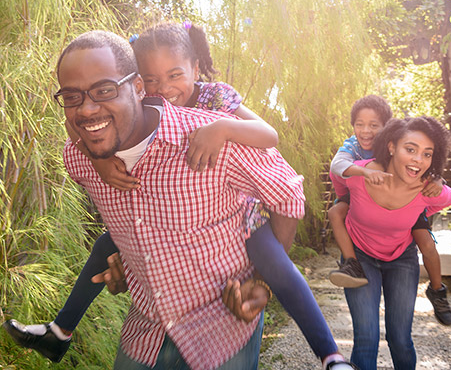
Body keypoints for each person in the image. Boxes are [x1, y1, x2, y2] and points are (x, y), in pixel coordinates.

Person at [3, 26, 353, 370]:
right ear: (143, 81)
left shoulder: (213, 119)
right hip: (145, 335)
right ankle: (60, 331)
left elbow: (283, 178)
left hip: (226, 318)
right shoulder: (84, 155)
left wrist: (259, 280)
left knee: (276, 265)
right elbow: (78, 126)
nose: (88, 109)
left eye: (105, 90)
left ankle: (331, 356)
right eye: (73, 97)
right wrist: (97, 158)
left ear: (134, 87)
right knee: (105, 246)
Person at [330, 116, 451, 370]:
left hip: (401, 259)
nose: (418, 160)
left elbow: (448, 198)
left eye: (427, 154)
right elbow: (339, 179)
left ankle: (437, 290)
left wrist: (435, 183)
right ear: (391, 147)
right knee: (366, 338)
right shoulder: (360, 175)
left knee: (400, 339)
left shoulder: (427, 190)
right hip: (360, 256)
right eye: (410, 149)